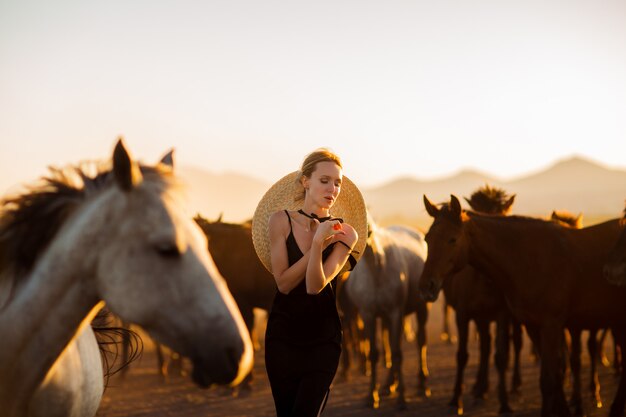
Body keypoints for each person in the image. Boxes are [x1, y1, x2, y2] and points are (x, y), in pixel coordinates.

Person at [251, 148, 367, 417]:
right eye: (325, 180)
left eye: (337, 182)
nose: (333, 188)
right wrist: (318, 243)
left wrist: (318, 244)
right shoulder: (280, 220)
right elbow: (283, 283)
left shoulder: (346, 233)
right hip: (282, 336)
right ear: (306, 181)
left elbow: (316, 286)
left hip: (322, 339)